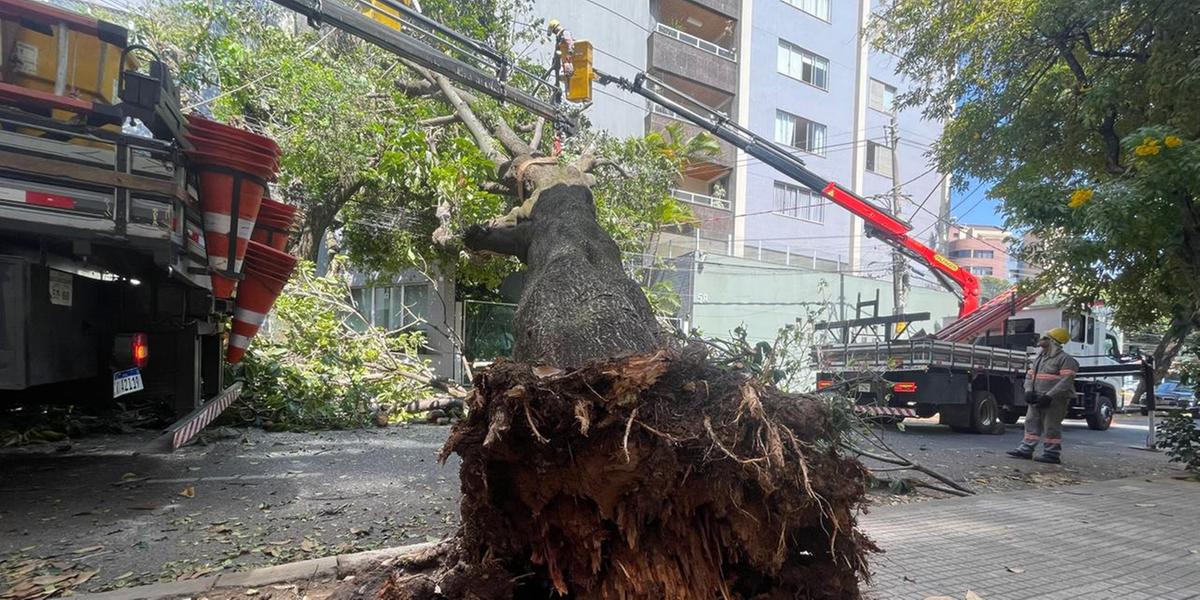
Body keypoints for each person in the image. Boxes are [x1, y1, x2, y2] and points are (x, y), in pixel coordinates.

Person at [1007, 327, 1078, 464]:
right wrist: (1028, 391)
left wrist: (1049, 396)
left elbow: (1066, 382)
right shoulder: (1040, 358)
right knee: (1031, 423)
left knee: (1051, 426)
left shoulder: (1065, 360)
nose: (1041, 340)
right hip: (1037, 397)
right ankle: (1025, 450)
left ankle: (1052, 454)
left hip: (1055, 400)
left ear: (1053, 341)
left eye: (1045, 338)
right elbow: (1030, 376)